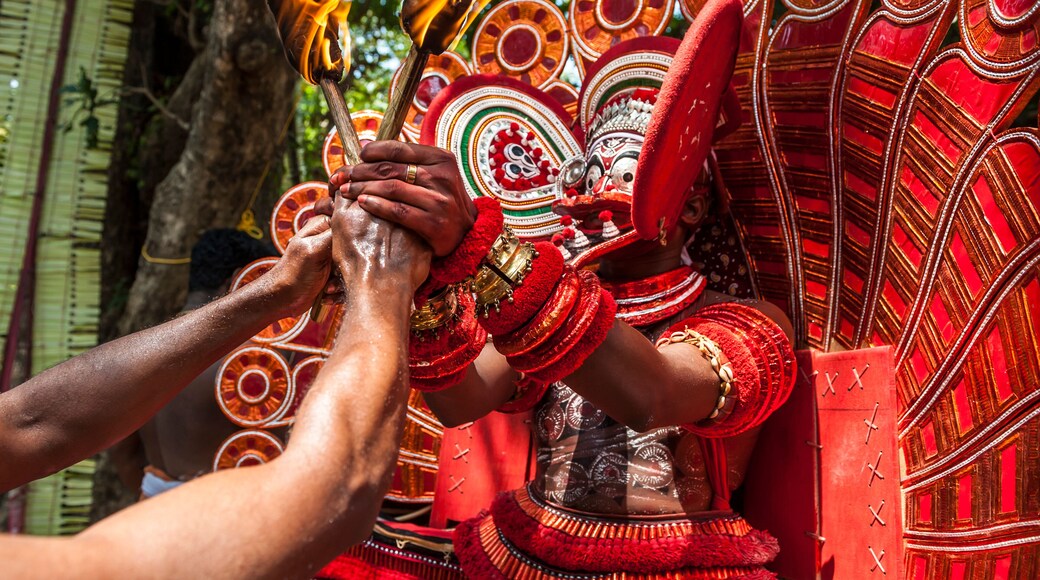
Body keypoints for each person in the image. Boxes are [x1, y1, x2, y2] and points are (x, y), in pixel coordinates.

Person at [325, 0, 796, 577]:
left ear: (691, 203)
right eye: (582, 176)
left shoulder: (744, 321)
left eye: (619, 173)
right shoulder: (558, 305)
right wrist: (425, 285)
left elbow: (652, 397)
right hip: (527, 549)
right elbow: (461, 401)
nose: (586, 198)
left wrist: (481, 248)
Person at [0, 198, 432, 577]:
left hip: (158, 500)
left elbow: (31, 423)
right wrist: (380, 276)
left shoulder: (164, 357)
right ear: (239, 277)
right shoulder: (252, 367)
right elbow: (338, 493)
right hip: (228, 513)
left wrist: (278, 291)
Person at [114, 230, 278, 499]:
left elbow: (123, 452)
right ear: (238, 279)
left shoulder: (138, 349)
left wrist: (157, 498)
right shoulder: (245, 361)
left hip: (150, 511)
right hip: (215, 515)